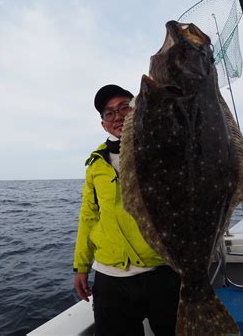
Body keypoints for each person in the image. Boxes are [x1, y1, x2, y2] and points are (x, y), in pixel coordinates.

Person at [73, 84, 182, 336]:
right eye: (109, 113)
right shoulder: (95, 164)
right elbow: (88, 216)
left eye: (124, 107)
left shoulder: (162, 148)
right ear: (103, 124)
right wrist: (81, 266)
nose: (118, 116)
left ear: (137, 109)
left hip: (162, 270)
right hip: (110, 280)